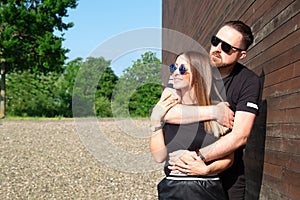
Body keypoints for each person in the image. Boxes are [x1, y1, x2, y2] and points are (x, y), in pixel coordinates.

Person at [164, 21, 261, 200]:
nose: (217, 49)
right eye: (215, 41)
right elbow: (166, 112)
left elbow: (240, 136)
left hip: (226, 174)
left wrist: (199, 158)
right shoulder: (192, 66)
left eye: (226, 47)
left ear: (241, 55)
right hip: (181, 172)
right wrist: (214, 112)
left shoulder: (248, 81)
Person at [150, 51, 234, 200]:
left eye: (182, 69)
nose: (175, 73)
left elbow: (229, 158)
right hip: (173, 190)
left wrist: (206, 169)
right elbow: (159, 157)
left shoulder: (219, 110)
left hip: (208, 190)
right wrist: (155, 121)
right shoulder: (168, 110)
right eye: (173, 68)